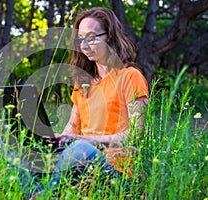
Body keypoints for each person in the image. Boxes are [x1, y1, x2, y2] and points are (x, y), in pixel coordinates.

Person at [9, 7, 149, 199]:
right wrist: (58, 138)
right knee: (22, 150)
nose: (84, 45)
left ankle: (46, 195)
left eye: (91, 37)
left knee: (80, 149)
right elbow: (72, 129)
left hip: (117, 173)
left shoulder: (130, 77)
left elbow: (135, 136)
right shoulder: (83, 82)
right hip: (81, 164)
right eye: (80, 38)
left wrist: (90, 141)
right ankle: (37, 195)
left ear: (109, 36)